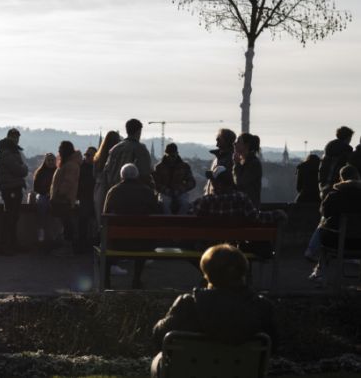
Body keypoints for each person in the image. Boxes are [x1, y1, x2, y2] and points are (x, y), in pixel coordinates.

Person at [150, 244, 277, 378]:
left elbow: (159, 337)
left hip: (190, 373)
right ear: (243, 272)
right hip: (240, 372)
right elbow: (271, 349)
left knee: (157, 361)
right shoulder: (262, 307)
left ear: (207, 274)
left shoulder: (188, 304)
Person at [104, 163, 160, 288]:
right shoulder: (147, 191)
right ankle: (136, 280)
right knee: (142, 238)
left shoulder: (113, 191)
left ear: (121, 176)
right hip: (143, 244)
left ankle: (106, 282)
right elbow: (156, 213)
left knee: (105, 245)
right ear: (137, 175)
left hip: (117, 242)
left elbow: (105, 215)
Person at [307, 165, 361, 282]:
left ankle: (318, 270)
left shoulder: (334, 196)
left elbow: (325, 214)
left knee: (324, 227)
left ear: (341, 179)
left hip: (337, 242)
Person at [0, 128, 28, 255]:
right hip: (11, 188)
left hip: (11, 187)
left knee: (13, 217)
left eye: (17, 137)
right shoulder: (8, 152)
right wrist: (24, 168)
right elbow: (19, 170)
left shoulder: (7, 150)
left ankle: (12, 245)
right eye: (14, 137)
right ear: (9, 137)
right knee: (10, 217)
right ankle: (6, 246)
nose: (16, 139)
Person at [101, 119, 154, 193]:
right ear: (139, 131)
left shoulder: (115, 149)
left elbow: (107, 171)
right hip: (134, 192)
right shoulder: (140, 149)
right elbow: (146, 172)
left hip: (115, 191)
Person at [50, 141, 82, 252]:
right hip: (63, 199)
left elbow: (68, 182)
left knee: (66, 224)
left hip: (63, 200)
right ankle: (65, 247)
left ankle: (67, 248)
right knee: (65, 223)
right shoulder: (70, 163)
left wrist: (59, 193)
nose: (58, 151)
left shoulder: (70, 165)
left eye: (60, 149)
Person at [152, 143, 196, 215]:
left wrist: (181, 189)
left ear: (177, 153)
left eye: (174, 155)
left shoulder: (184, 166)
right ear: (166, 154)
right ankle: (169, 223)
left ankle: (180, 222)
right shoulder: (159, 167)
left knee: (185, 204)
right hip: (165, 192)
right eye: (170, 155)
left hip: (180, 192)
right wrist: (166, 190)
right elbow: (156, 183)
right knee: (164, 204)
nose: (172, 158)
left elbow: (192, 182)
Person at [93, 130, 121, 222]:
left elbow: (94, 174)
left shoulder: (98, 158)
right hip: (114, 188)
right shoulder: (118, 157)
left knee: (101, 217)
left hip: (99, 188)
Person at [319, 126, 354, 199]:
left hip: (324, 184)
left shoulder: (328, 150)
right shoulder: (346, 151)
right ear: (347, 137)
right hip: (337, 184)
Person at [31, 153, 57, 244]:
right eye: (48, 160)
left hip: (54, 196)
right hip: (42, 195)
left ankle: (54, 234)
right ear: (45, 161)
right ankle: (41, 230)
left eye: (52, 160)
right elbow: (36, 188)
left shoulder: (58, 172)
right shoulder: (40, 172)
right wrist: (45, 192)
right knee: (42, 204)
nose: (50, 162)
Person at [76, 146, 97, 253]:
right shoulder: (81, 167)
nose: (86, 157)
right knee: (83, 221)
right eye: (86, 155)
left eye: (89, 155)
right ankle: (82, 245)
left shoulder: (97, 168)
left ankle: (92, 245)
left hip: (94, 198)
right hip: (85, 198)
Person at [204, 128, 237, 195]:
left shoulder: (232, 159)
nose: (217, 143)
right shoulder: (218, 158)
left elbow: (231, 179)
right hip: (214, 198)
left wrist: (213, 177)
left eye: (219, 139)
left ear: (226, 141)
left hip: (224, 199)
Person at [234, 133, 263, 207]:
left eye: (238, 142)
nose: (235, 144)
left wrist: (237, 165)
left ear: (246, 146)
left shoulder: (253, 163)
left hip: (248, 208)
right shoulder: (246, 162)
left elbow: (241, 182)